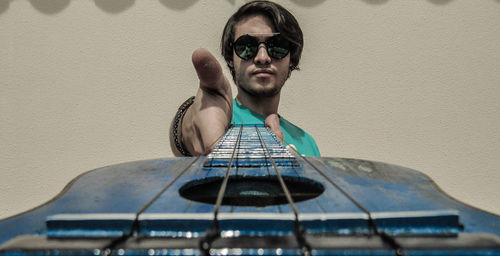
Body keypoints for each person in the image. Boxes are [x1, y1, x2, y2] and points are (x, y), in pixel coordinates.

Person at [170, 0, 320, 157]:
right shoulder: (217, 118)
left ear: (291, 58)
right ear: (230, 57)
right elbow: (189, 130)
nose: (262, 57)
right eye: (247, 46)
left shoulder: (308, 143)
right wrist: (184, 124)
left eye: (277, 46)